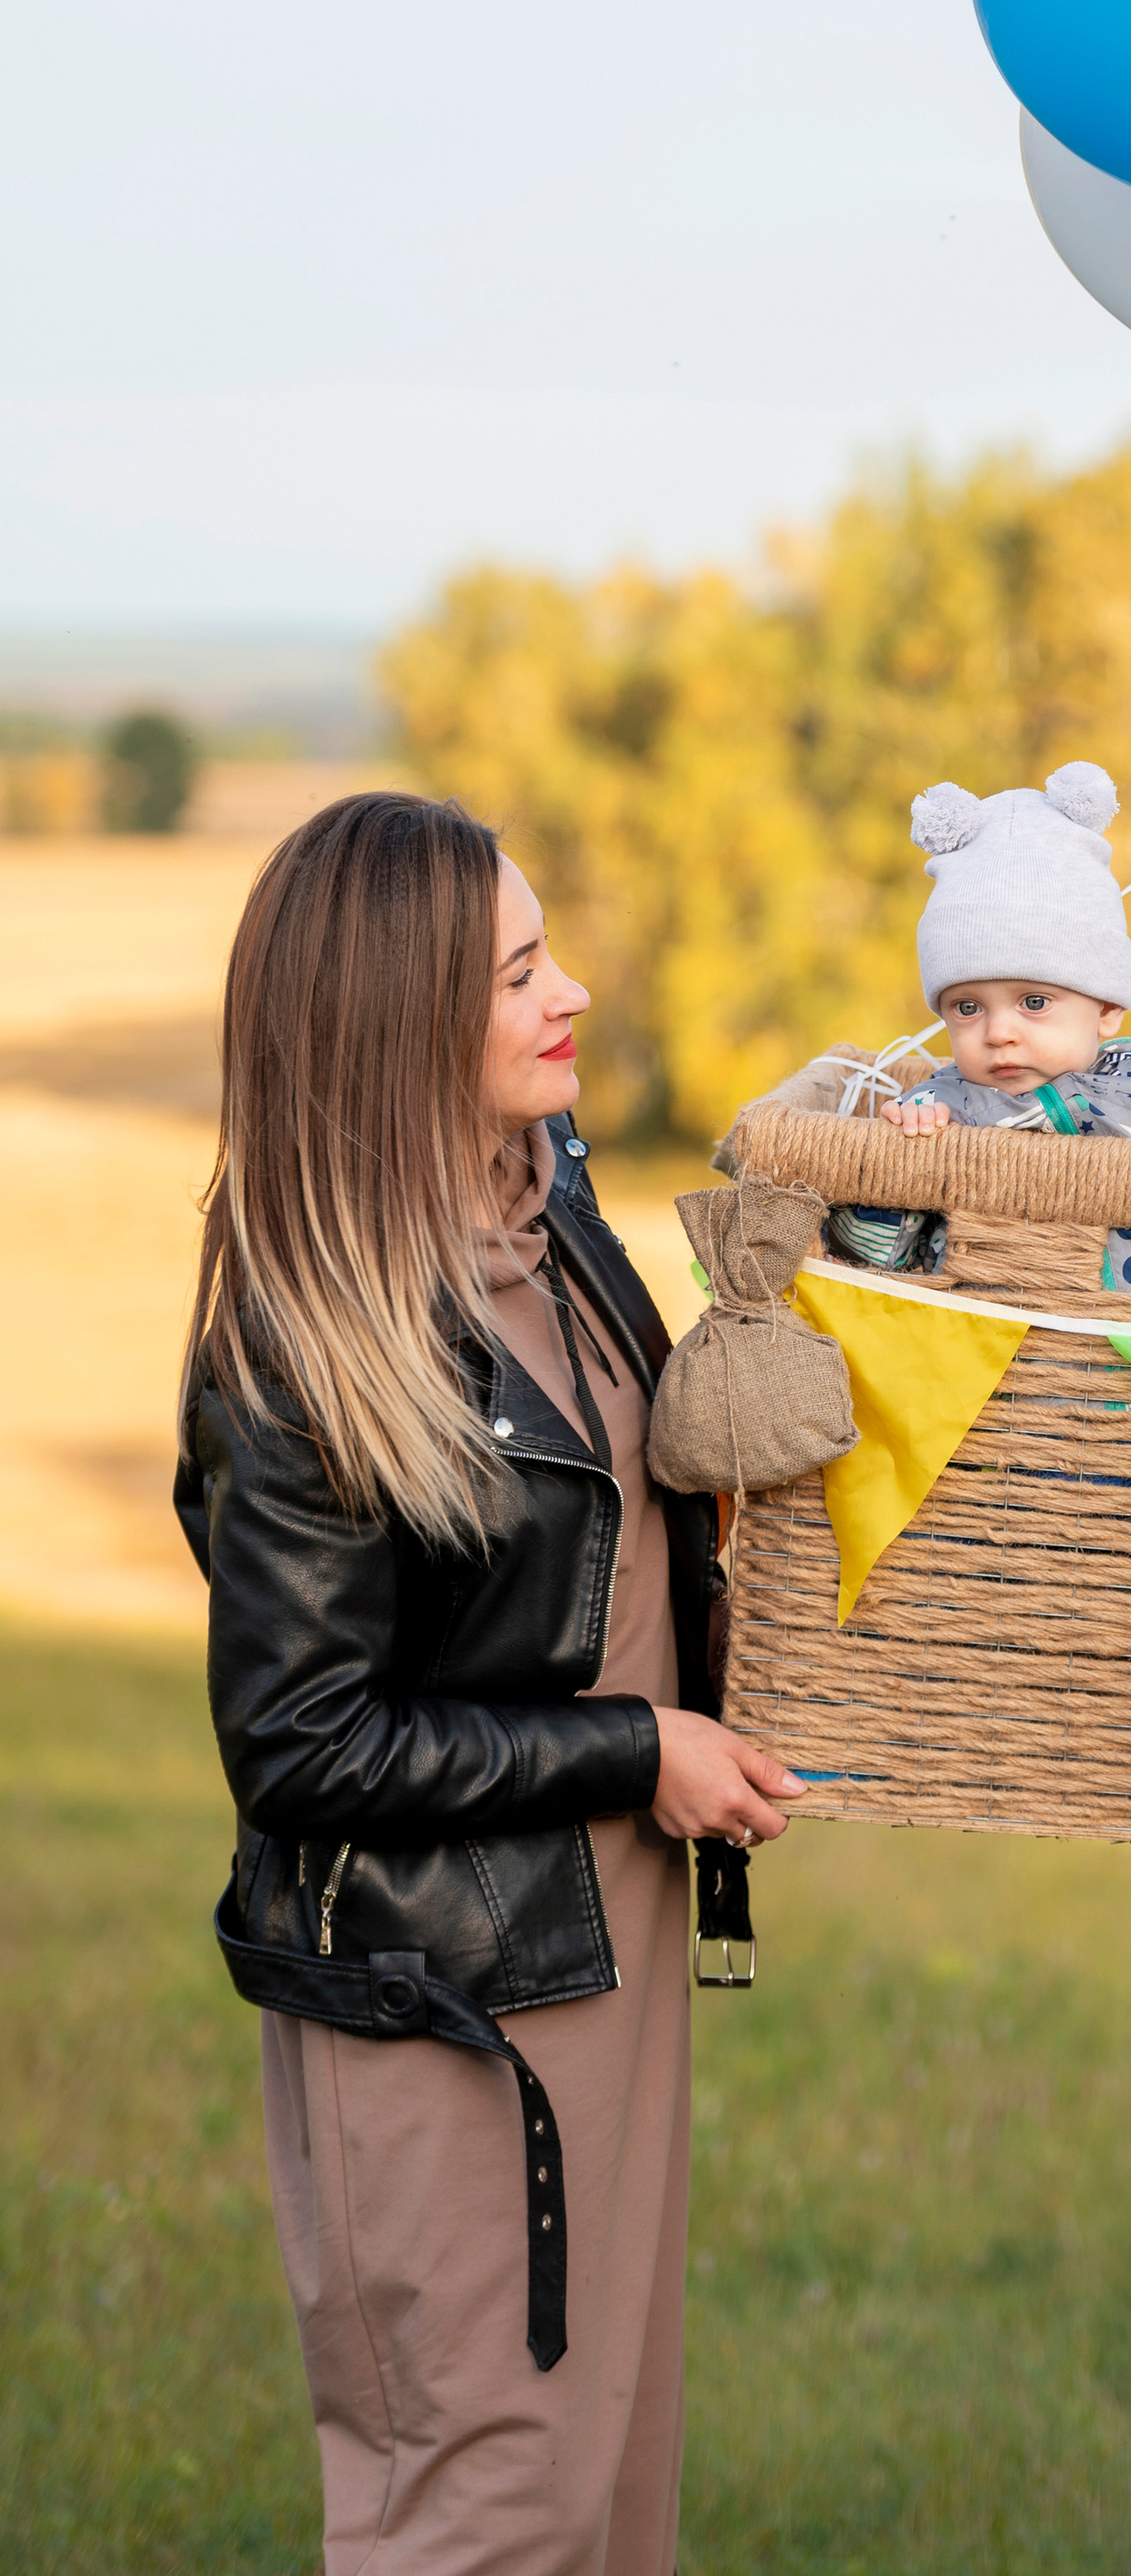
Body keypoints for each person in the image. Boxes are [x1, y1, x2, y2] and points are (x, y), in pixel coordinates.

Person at [174, 791, 801, 2576]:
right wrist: (633, 1748)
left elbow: (626, 1501)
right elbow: (301, 1739)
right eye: (521, 970)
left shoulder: (550, 1196)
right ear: (392, 1023)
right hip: (443, 1994)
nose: (573, 991)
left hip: (607, 1929)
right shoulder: (298, 1333)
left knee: (607, 2478)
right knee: (478, 2505)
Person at [829, 759, 1131, 1298]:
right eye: (966, 1008)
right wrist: (897, 1163)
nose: (998, 1032)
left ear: (1105, 1009)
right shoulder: (935, 1105)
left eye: (1033, 1001)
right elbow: (870, 1262)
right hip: (1009, 1360)